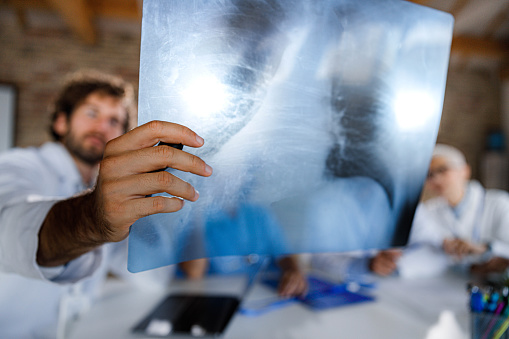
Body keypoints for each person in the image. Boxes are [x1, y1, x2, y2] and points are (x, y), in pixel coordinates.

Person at [0, 70, 213, 338]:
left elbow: (153, 279)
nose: (102, 127)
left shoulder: (108, 193)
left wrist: (161, 197)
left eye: (114, 121)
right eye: (92, 113)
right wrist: (92, 218)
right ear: (61, 122)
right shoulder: (18, 166)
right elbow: (7, 230)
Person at [369, 144, 509, 277]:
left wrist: (486, 249)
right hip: (455, 283)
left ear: (465, 171)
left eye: (442, 170)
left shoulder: (500, 203)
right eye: (429, 175)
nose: (436, 179)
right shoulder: (428, 210)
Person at [179, 255, 308, 297]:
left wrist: (293, 270)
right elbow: (194, 272)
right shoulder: (199, 220)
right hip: (216, 301)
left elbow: (283, 251)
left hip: (266, 298)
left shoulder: (259, 213)